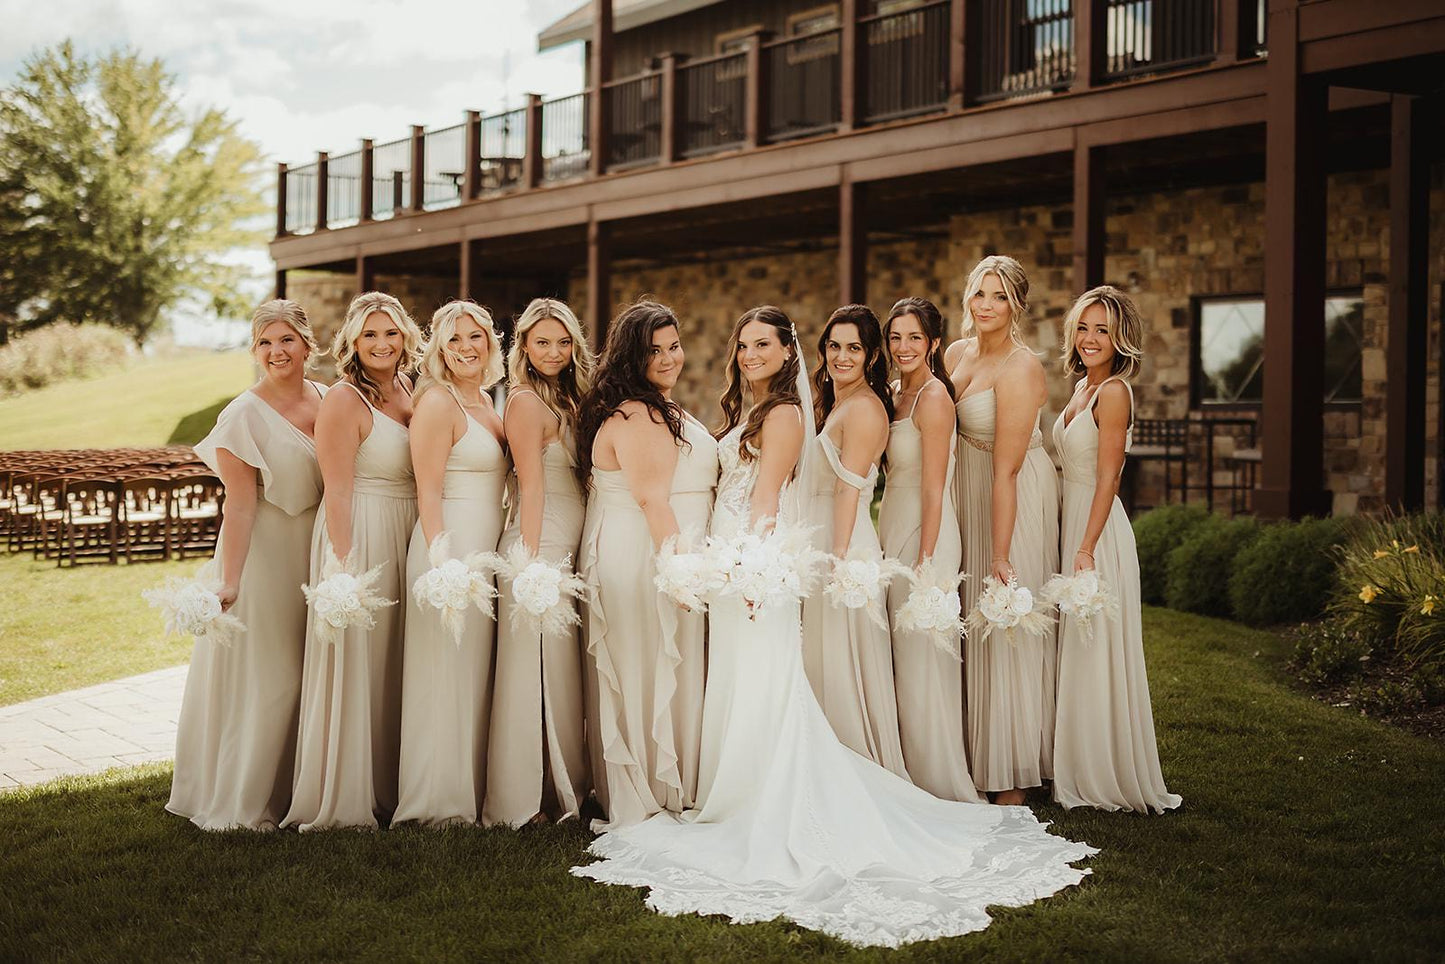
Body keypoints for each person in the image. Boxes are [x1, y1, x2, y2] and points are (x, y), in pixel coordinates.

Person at [572, 305, 1095, 949]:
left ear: (786, 351)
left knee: (762, 677)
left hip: (753, 567)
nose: (749, 354)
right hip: (730, 562)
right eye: (743, 345)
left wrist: (757, 567)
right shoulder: (753, 411)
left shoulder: (788, 415)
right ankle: (727, 787)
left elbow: (767, 497)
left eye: (763, 344)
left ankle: (758, 794)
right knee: (734, 677)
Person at [167, 299, 326, 830]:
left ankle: (307, 789)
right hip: (264, 554)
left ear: (307, 343)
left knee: (315, 671)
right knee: (272, 674)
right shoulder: (240, 415)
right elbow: (238, 504)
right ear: (254, 351)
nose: (276, 351)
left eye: (286, 340)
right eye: (264, 342)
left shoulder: (329, 399)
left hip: (318, 549)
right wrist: (228, 580)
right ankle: (247, 799)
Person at [576, 301, 718, 830]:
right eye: (653, 350)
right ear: (631, 357)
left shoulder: (651, 407)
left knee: (660, 667)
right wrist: (680, 571)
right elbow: (653, 501)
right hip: (646, 557)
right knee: (649, 666)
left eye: (674, 346)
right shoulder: (638, 414)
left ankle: (669, 779)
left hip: (649, 551)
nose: (668, 358)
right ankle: (654, 786)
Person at [283, 291, 422, 831]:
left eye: (390, 333)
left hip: (407, 529)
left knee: (395, 660)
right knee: (360, 659)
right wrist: (341, 571)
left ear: (406, 337)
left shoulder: (413, 389)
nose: (382, 344)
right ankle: (346, 793)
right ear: (352, 343)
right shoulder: (343, 400)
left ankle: (393, 782)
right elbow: (336, 491)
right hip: (360, 528)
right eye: (370, 335)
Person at [1051, 286, 1181, 814]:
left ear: (1121, 337)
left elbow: (1109, 477)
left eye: (1102, 330)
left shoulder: (1115, 393)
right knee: (1077, 651)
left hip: (1097, 531)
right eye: (1084, 327)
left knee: (1096, 648)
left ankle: (1103, 773)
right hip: (1072, 523)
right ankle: (1075, 763)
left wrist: (1084, 547)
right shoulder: (1082, 387)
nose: (1090, 339)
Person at [945, 255, 1059, 806]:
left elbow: (1008, 468)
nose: (985, 306)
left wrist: (1001, 551)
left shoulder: (1022, 367)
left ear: (1016, 304)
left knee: (1003, 622)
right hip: (965, 489)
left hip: (1009, 493)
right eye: (978, 294)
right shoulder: (955, 354)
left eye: (998, 296)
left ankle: (1011, 773)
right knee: (966, 619)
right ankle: (966, 756)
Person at [393, 301, 509, 827]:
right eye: (454, 339)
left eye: (476, 337)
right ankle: (437, 801)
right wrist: (442, 561)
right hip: (450, 548)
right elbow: (428, 488)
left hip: (485, 547)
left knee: (471, 671)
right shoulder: (437, 403)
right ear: (439, 347)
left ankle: (472, 785)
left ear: (490, 343)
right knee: (443, 670)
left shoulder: (486, 400)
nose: (466, 347)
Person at [484, 298, 595, 827]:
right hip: (542, 539)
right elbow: (529, 485)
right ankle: (529, 797)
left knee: (562, 669)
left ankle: (566, 785)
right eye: (542, 341)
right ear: (523, 347)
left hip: (572, 537)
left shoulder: (570, 398)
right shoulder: (526, 403)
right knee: (537, 668)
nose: (554, 352)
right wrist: (529, 564)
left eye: (563, 341)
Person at [878, 297, 983, 803]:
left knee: (924, 654)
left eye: (914, 337)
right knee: (901, 655)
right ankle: (905, 767)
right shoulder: (896, 393)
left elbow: (935, 485)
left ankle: (938, 779)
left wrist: (926, 558)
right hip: (892, 523)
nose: (903, 347)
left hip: (927, 528)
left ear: (934, 343)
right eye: (895, 336)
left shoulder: (935, 397)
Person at [798, 304, 908, 777]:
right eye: (834, 346)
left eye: (854, 348)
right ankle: (822, 761)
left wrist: (838, 560)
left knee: (841, 657)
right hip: (826, 532)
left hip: (844, 539)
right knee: (821, 657)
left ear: (870, 357)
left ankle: (852, 766)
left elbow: (848, 488)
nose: (842, 356)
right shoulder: (840, 401)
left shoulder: (864, 409)